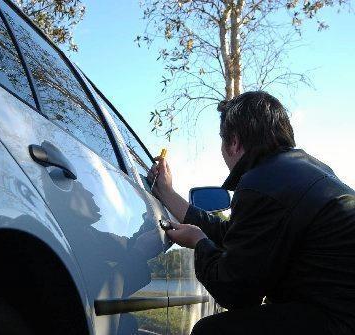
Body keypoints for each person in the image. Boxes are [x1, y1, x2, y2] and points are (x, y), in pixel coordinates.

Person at [148, 91, 355, 335]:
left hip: (335, 321)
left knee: (212, 331)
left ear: (233, 142)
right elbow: (234, 235)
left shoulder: (261, 183)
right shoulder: (299, 171)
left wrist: (200, 243)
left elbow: (235, 293)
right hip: (340, 312)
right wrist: (167, 193)